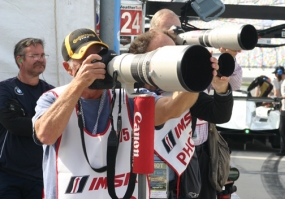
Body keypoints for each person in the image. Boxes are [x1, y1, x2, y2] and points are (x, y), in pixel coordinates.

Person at [32, 28, 217, 199]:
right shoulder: (52, 99)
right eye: (85, 59)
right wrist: (79, 84)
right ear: (68, 68)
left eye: (98, 56)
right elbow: (45, 135)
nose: (95, 64)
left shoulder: (127, 98)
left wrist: (197, 76)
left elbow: (173, 108)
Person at [129, 29, 233, 199]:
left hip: (181, 179)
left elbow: (219, 115)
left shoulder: (182, 88)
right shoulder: (127, 90)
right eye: (163, 54)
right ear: (142, 58)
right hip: (139, 181)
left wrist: (221, 89)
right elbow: (173, 107)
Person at [0, 38, 54, 198]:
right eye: (34, 55)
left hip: (41, 174)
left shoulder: (51, 92)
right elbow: (13, 124)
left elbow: (61, 125)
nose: (40, 59)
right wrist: (46, 125)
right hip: (8, 174)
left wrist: (28, 119)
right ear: (20, 60)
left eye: (43, 55)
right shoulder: (5, 89)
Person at [150, 8, 243, 91]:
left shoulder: (188, 60)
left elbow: (235, 85)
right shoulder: (138, 55)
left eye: (177, 31)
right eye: (167, 31)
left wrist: (228, 60)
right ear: (151, 32)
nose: (173, 36)